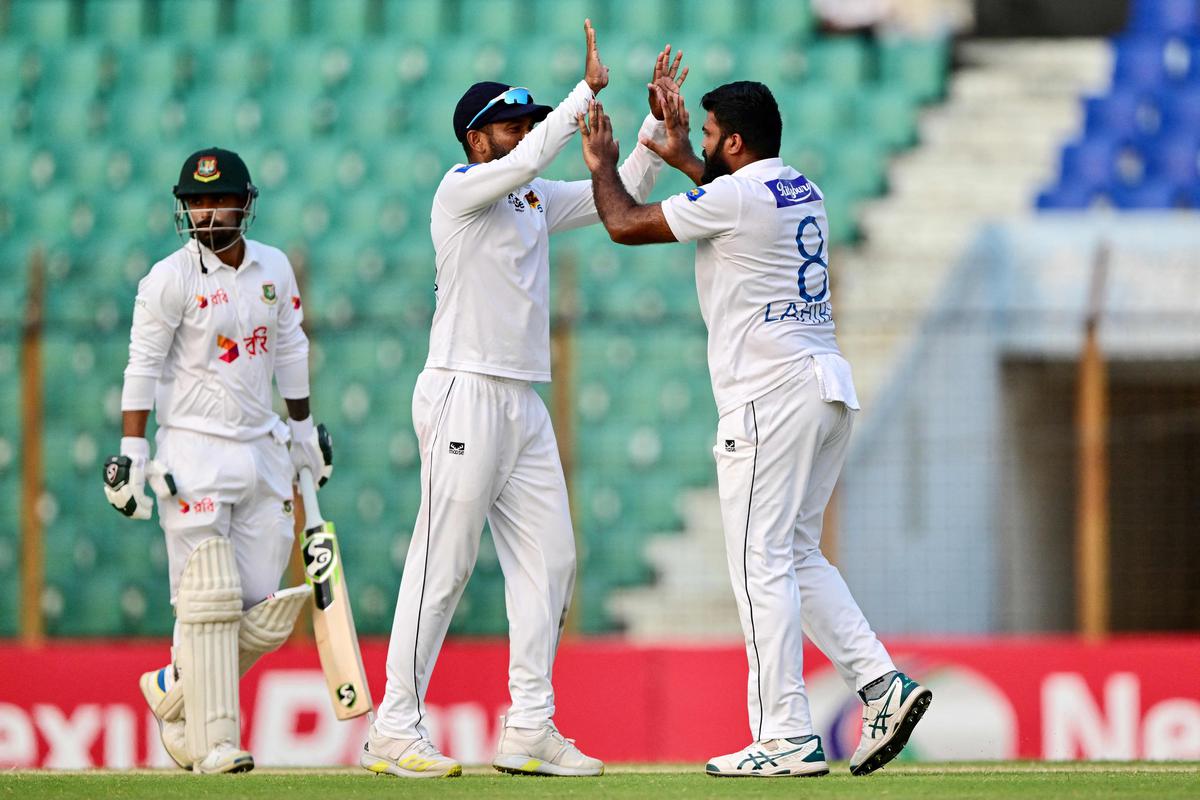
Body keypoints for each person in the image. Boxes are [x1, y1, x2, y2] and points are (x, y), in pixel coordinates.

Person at [363, 21, 691, 779]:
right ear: (476, 139)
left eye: (527, 124)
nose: (526, 135)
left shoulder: (534, 196)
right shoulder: (461, 192)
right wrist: (583, 96)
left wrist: (649, 128)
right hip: (462, 391)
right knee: (443, 564)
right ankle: (394, 726)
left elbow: (628, 190)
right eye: (512, 125)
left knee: (552, 561)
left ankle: (529, 727)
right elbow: (536, 157)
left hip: (521, 401)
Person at [577, 82, 932, 777]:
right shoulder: (802, 188)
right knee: (796, 556)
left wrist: (602, 164)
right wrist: (685, 159)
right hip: (824, 385)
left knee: (758, 565)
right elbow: (729, 201)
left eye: (708, 134)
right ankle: (882, 685)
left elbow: (623, 223)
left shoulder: (734, 198)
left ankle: (786, 734)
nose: (701, 142)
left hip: (767, 397)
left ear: (734, 142)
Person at [103, 147, 332, 774]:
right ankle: (215, 743)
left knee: (261, 613)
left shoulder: (274, 269)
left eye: (217, 199)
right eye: (195, 201)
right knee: (209, 600)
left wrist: (304, 432)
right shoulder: (168, 278)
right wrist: (131, 450)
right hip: (193, 454)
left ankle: (174, 688)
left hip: (263, 451)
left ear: (244, 202)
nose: (205, 211)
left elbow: (290, 347)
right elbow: (141, 366)